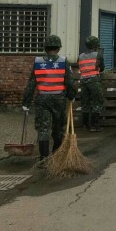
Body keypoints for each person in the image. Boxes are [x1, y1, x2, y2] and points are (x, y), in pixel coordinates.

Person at [22, 35, 76, 165]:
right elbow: (70, 83)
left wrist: (26, 103)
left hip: (42, 99)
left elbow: (31, 84)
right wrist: (71, 96)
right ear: (58, 48)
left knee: (43, 129)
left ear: (46, 48)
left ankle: (44, 159)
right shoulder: (63, 61)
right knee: (58, 128)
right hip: (59, 99)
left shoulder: (38, 61)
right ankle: (56, 155)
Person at [78, 35, 105, 132]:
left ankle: (85, 125)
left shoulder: (80, 56)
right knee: (97, 101)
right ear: (96, 45)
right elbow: (102, 67)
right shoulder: (98, 55)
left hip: (83, 81)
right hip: (94, 80)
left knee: (85, 103)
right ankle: (94, 126)